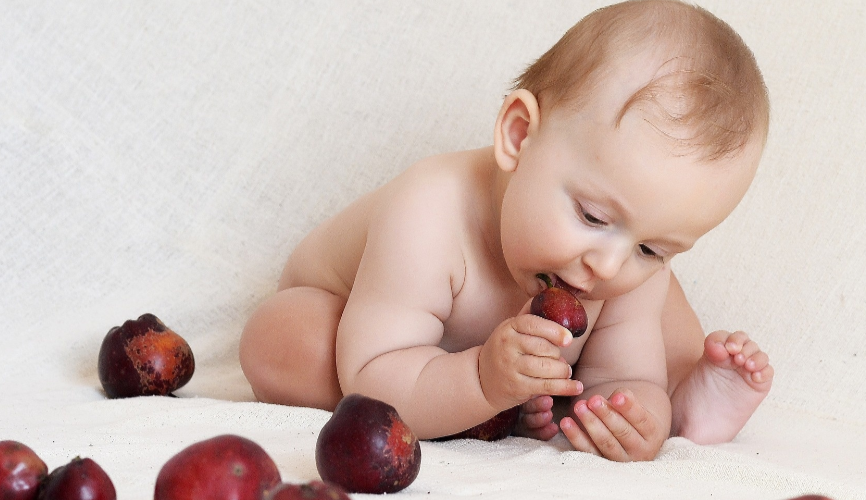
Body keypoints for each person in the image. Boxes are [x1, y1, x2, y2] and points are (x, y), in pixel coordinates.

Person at [239, 0, 774, 462]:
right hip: (365, 332)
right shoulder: (429, 211)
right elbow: (371, 376)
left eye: (652, 248)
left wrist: (634, 415)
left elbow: (624, 375)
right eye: (591, 217)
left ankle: (689, 402)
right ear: (518, 138)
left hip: (506, 363)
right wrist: (479, 381)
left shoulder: (616, 259)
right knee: (285, 339)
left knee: (660, 308)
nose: (608, 265)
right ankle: (484, 404)